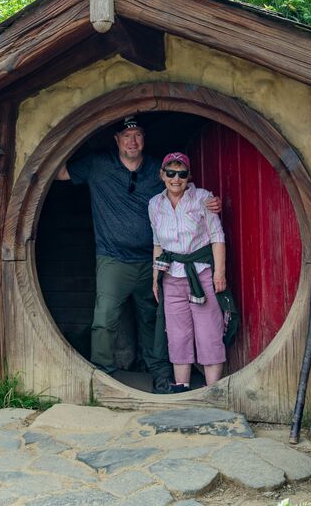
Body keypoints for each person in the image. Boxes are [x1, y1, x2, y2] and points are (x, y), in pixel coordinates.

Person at [56, 117, 220, 393]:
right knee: (104, 318)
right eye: (126, 135)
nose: (132, 141)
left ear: (144, 138)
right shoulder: (98, 165)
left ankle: (160, 375)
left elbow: (182, 187)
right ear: (116, 139)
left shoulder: (158, 169)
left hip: (152, 260)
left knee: (153, 320)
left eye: (138, 135)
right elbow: (58, 172)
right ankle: (102, 377)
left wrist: (208, 201)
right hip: (113, 259)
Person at [149, 152, 227, 391]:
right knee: (177, 333)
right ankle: (181, 387)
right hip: (171, 276)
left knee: (209, 330)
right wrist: (155, 277)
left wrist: (219, 273)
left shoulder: (203, 198)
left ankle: (212, 390)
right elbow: (157, 243)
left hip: (200, 273)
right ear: (162, 175)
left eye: (181, 174)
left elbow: (217, 237)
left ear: (188, 176)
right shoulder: (154, 204)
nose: (176, 179)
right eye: (171, 173)